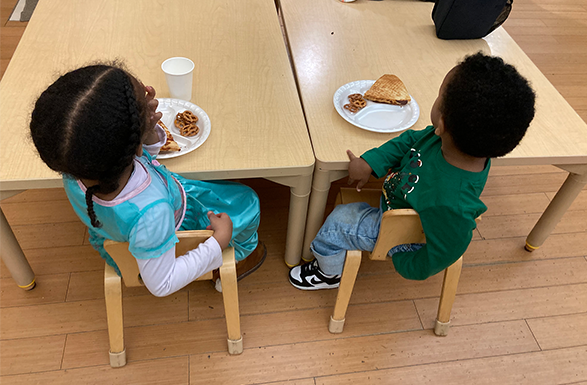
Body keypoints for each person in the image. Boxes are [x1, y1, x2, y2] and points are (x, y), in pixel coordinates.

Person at [289, 52, 536, 290]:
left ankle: (328, 273)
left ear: (442, 123)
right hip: (398, 200)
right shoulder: (450, 141)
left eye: (439, 96)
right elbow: (409, 141)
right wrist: (371, 162)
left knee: (336, 225)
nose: (436, 99)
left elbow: (449, 249)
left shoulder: (453, 204)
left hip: (402, 235)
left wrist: (405, 263)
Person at [29, 63, 266, 297]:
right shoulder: (152, 212)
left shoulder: (77, 165)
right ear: (133, 144)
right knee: (249, 200)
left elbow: (141, 161)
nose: (149, 98)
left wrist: (146, 131)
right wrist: (218, 241)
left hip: (122, 228)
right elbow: (162, 284)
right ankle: (239, 261)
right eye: (142, 102)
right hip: (171, 220)